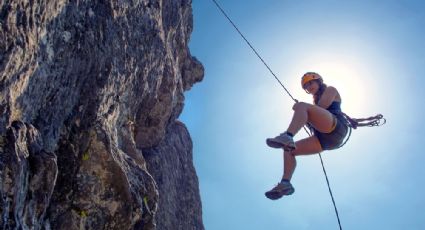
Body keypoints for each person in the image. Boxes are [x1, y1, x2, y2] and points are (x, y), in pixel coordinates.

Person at [265, 72, 349, 200]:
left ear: (319, 82)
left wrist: (302, 109)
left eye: (311, 83)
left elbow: (322, 107)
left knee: (302, 106)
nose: (309, 87)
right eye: (306, 86)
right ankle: (285, 184)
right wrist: (305, 111)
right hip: (325, 140)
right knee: (289, 150)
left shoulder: (331, 90)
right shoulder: (315, 102)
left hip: (337, 128)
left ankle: (288, 135)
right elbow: (315, 112)